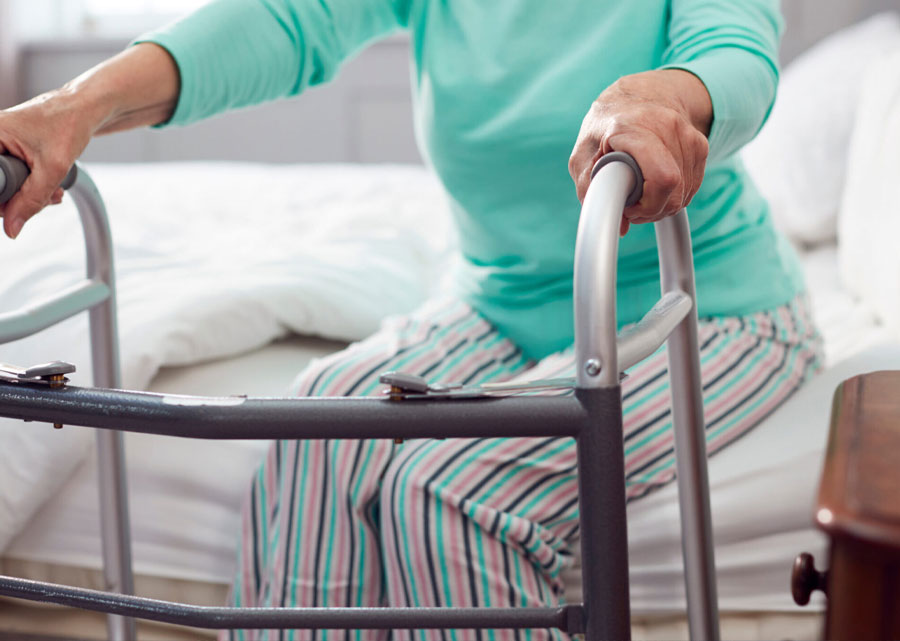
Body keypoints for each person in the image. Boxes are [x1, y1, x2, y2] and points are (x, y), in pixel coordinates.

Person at [0, 1, 822, 639]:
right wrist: (77, 107)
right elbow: (290, 20)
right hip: (499, 296)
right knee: (318, 429)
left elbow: (736, 48)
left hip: (702, 302)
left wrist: (660, 97)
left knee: (446, 491)